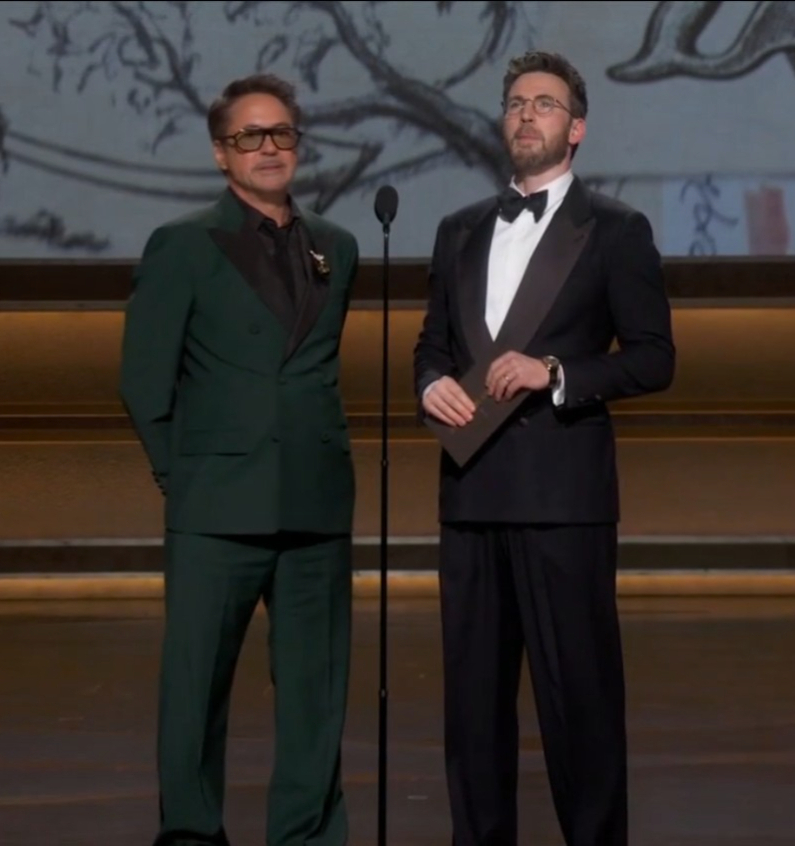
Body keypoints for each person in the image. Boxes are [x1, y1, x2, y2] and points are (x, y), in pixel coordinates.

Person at [413, 51, 675, 846]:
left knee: (579, 707)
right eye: (516, 102)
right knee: (472, 714)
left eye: (546, 104)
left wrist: (556, 372)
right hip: (469, 495)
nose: (527, 114)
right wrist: (429, 385)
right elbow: (431, 345)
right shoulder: (457, 230)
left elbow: (652, 358)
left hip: (563, 501)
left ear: (577, 128)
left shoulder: (616, 230)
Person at [119, 73, 359, 846]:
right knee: (195, 690)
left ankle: (307, 834)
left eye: (281, 132)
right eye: (249, 136)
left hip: (314, 500)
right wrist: (183, 475)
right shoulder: (184, 245)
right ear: (221, 153)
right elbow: (144, 380)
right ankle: (191, 834)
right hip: (216, 505)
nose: (268, 148)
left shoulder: (337, 247)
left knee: (316, 691)